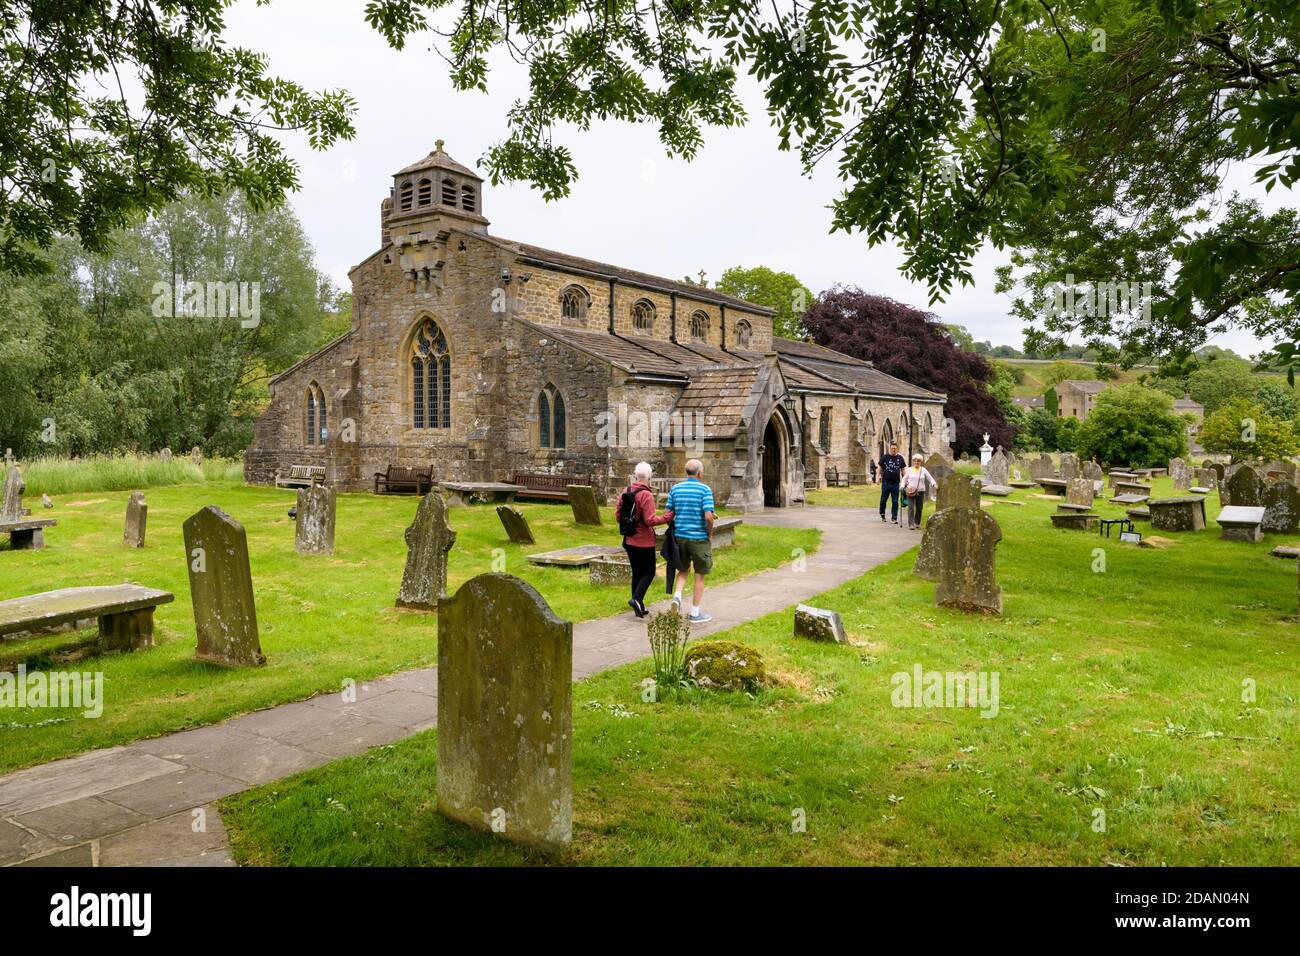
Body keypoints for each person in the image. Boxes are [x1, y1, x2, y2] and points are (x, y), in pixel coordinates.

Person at [615, 462, 674, 617]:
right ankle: (636, 599)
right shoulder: (646, 494)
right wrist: (667, 516)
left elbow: (617, 517)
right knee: (649, 572)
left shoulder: (625, 491)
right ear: (649, 476)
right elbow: (650, 520)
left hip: (628, 540)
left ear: (635, 475)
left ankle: (638, 606)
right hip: (644, 541)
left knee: (637, 572)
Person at [665, 458, 715, 624]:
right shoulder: (705, 490)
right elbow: (708, 516)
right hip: (699, 538)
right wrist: (709, 533)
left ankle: (677, 597)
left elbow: (668, 513)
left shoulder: (675, 489)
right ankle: (695, 613)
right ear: (699, 473)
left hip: (680, 537)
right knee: (700, 575)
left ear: (687, 472)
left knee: (683, 569)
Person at [902, 453, 936, 530]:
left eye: (918, 461)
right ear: (913, 461)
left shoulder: (923, 470)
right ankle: (911, 524)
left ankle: (917, 522)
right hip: (910, 491)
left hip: (920, 491)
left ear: (921, 462)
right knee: (911, 508)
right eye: (915, 461)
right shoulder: (909, 470)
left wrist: (934, 484)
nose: (917, 462)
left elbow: (930, 478)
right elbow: (904, 479)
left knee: (919, 508)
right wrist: (902, 486)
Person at [878, 442, 906, 523]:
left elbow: (903, 470)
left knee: (895, 501)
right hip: (886, 483)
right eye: (892, 448)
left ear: (897, 449)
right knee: (883, 499)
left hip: (896, 483)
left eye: (895, 448)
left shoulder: (900, 458)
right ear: (890, 448)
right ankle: (882, 514)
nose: (893, 449)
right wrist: (877, 477)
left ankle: (894, 517)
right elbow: (879, 467)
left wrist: (905, 480)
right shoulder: (884, 457)